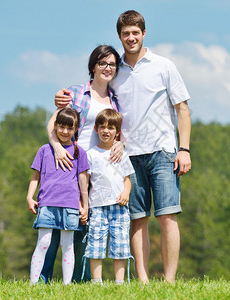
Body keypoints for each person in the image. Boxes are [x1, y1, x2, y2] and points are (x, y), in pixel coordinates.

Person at [55, 10, 192, 283]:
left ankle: (169, 281)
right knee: (137, 219)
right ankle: (142, 280)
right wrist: (63, 96)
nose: (131, 38)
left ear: (144, 34)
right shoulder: (114, 70)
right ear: (120, 36)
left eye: (135, 33)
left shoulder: (164, 66)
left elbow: (182, 109)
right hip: (127, 157)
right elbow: (93, 90)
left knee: (167, 217)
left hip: (163, 151)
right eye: (125, 34)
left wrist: (184, 149)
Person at [44, 45, 124, 283]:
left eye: (111, 64)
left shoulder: (116, 100)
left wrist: (121, 144)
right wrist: (57, 146)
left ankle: (81, 278)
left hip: (100, 171)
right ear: (93, 66)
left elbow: (118, 131)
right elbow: (53, 123)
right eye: (102, 63)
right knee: (57, 223)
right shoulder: (77, 92)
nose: (107, 68)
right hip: (70, 165)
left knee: (86, 223)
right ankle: (43, 277)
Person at [26, 107, 90, 285]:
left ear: (76, 129)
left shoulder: (80, 152)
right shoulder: (45, 150)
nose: (65, 131)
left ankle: (67, 285)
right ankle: (33, 283)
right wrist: (29, 196)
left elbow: (82, 181)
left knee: (67, 245)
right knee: (44, 241)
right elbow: (35, 176)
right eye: (61, 127)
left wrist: (85, 205)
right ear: (55, 126)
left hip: (70, 205)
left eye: (70, 128)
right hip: (47, 203)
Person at [84, 109, 134, 284]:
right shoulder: (90, 154)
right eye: (103, 127)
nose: (106, 131)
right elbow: (85, 182)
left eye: (111, 128)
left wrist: (126, 192)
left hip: (119, 207)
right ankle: (96, 282)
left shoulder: (122, 154)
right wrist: (85, 205)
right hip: (97, 206)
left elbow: (127, 180)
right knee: (95, 245)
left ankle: (119, 283)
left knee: (120, 245)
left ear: (118, 132)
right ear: (96, 129)